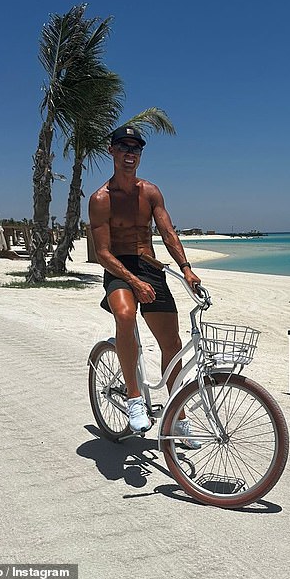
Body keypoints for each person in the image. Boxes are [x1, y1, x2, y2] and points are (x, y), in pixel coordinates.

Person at [88, 125, 202, 447]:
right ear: (111, 151)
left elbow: (167, 232)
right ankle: (135, 399)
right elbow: (102, 253)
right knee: (125, 315)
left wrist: (186, 269)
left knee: (172, 343)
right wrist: (133, 281)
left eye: (135, 148)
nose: (129, 153)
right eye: (123, 147)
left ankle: (178, 418)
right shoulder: (101, 199)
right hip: (119, 270)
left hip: (150, 267)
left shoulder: (150, 192)